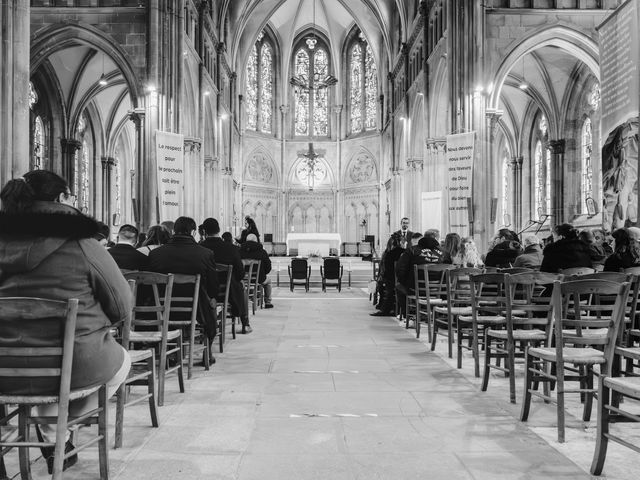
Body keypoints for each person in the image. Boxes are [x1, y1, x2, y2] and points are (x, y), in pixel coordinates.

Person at [0, 170, 131, 474]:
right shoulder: (84, 244)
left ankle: (50, 428)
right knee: (121, 363)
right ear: (62, 199)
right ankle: (59, 431)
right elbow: (122, 305)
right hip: (75, 362)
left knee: (47, 372)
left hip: (5, 368)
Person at [148, 217, 220, 351]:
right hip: (196, 310)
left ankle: (167, 349)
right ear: (193, 232)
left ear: (174, 231)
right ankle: (207, 350)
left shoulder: (156, 254)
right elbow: (212, 284)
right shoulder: (205, 254)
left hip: (162, 310)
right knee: (210, 304)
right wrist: (212, 298)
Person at [200, 217, 252, 333]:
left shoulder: (200, 248)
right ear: (219, 230)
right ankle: (245, 323)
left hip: (204, 293)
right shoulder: (232, 249)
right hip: (228, 293)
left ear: (204, 232)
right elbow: (240, 273)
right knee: (241, 286)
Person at [371, 232, 404, 316]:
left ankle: (386, 308)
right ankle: (398, 308)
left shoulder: (388, 254)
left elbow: (385, 270)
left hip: (390, 279)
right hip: (400, 280)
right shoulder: (404, 252)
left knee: (387, 287)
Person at [239, 233, 274, 310]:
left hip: (242, 278)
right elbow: (268, 266)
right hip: (259, 279)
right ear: (256, 241)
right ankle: (268, 302)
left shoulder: (239, 251)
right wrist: (264, 273)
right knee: (268, 282)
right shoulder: (262, 252)